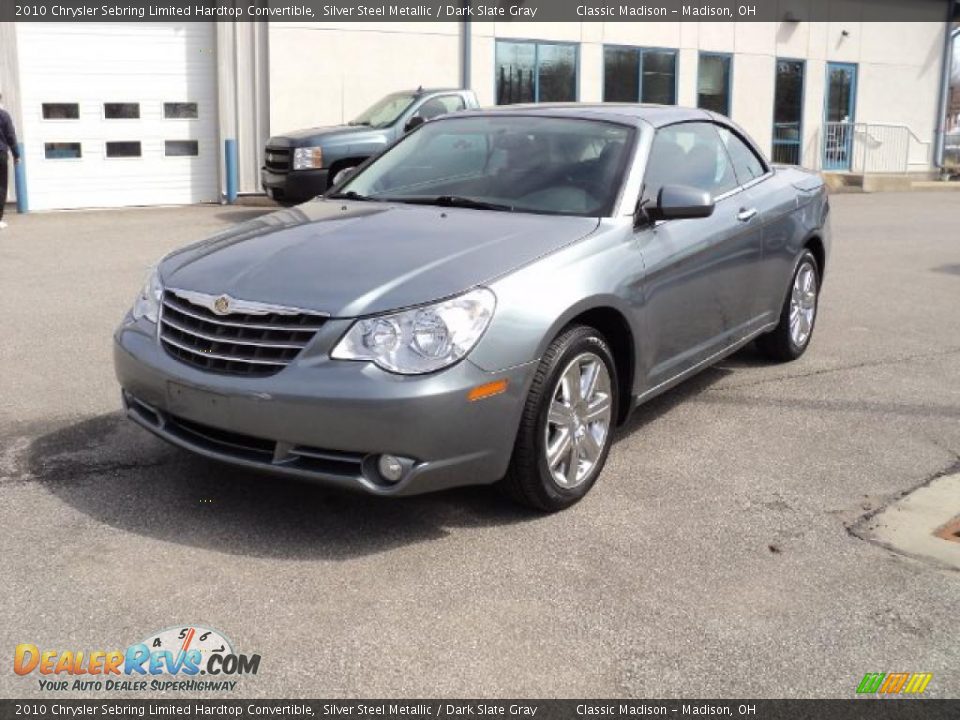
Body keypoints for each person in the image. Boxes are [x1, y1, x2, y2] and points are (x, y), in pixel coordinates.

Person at [0, 92, 21, 230]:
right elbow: (11, 136)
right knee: (1, 186)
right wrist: (16, 154)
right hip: (0, 153)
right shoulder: (4, 115)